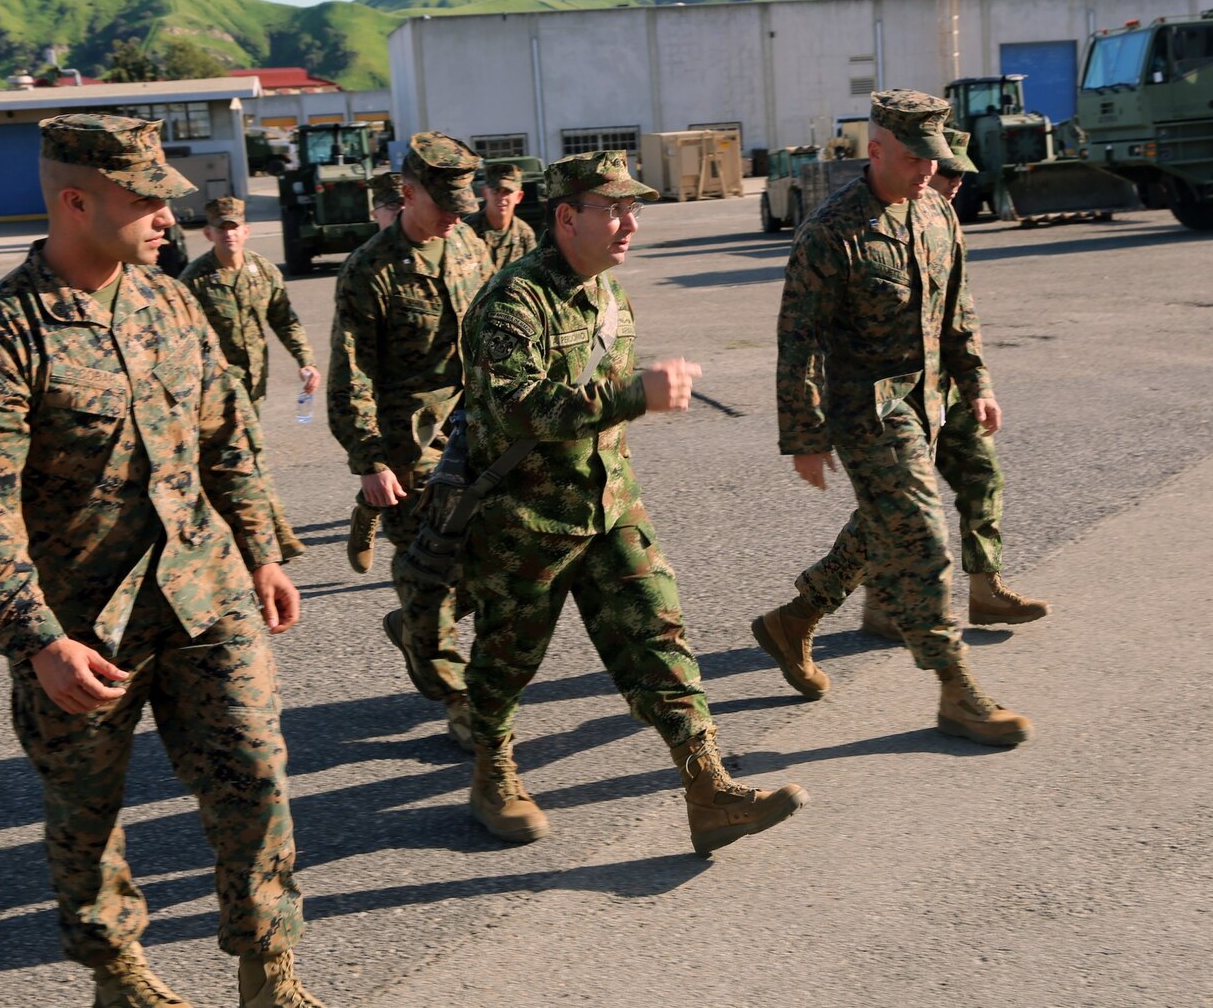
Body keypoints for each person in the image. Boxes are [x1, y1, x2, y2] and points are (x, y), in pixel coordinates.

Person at [0, 114, 329, 1008]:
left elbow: (228, 435)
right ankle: (115, 971)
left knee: (255, 771)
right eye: (145, 199)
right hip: (80, 625)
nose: (166, 216)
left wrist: (261, 550)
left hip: (203, 591)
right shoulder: (1, 338)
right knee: (86, 810)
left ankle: (267, 967)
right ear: (75, 202)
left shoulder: (170, 299)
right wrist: (35, 636)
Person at [460, 150, 808, 855]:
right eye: (613, 209)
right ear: (565, 217)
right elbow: (513, 407)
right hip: (526, 521)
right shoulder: (511, 300)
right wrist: (632, 395)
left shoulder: (609, 295)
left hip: (610, 505)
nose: (629, 224)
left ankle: (707, 785)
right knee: (506, 656)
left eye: (633, 209)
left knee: (659, 634)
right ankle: (492, 767)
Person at [750, 90, 1034, 748]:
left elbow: (956, 310)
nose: (929, 170)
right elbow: (797, 339)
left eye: (934, 155)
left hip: (927, 400)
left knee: (885, 521)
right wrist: (804, 433)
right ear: (874, 151)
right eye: (914, 157)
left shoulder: (936, 213)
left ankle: (794, 618)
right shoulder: (831, 231)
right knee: (924, 537)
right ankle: (956, 689)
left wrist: (976, 385)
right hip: (864, 408)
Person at [328, 132, 494, 751]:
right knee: (432, 572)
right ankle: (458, 697)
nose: (456, 216)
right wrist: (369, 458)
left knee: (505, 560)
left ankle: (417, 625)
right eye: (444, 203)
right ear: (406, 193)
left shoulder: (471, 247)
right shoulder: (370, 270)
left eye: (462, 203)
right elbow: (352, 371)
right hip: (407, 448)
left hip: (475, 433)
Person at [865, 127, 1049, 638]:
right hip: (898, 395)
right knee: (896, 510)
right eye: (947, 171)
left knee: (981, 476)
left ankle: (986, 589)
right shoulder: (876, 221)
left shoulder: (944, 220)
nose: (953, 183)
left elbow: (958, 313)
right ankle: (849, 604)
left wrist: (978, 386)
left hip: (946, 386)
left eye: (960, 175)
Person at [180, 196, 320, 560]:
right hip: (216, 389)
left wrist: (305, 361)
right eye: (221, 229)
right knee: (250, 456)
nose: (229, 235)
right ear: (209, 233)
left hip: (255, 387)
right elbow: (180, 337)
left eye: (234, 228)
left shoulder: (263, 272)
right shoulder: (194, 280)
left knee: (235, 461)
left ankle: (227, 536)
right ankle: (279, 535)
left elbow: (284, 320)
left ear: (246, 231)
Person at [464, 161, 537, 269]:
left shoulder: (524, 234)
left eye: (507, 192)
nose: (501, 197)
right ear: (485, 193)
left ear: (519, 197)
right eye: (496, 191)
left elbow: (533, 273)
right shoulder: (467, 231)